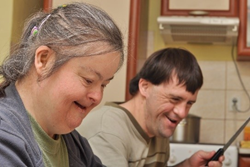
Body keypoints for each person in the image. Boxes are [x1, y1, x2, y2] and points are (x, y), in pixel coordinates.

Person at [0, 2, 124, 167]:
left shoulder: (73, 143)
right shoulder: (4, 138)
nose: (97, 97)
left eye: (103, 85)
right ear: (44, 60)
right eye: (88, 80)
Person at [81, 48, 224, 167]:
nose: (182, 113)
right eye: (174, 99)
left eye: (189, 103)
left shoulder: (157, 124)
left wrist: (187, 165)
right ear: (145, 87)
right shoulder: (107, 131)